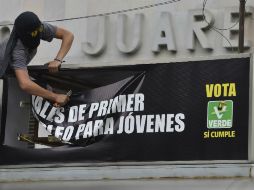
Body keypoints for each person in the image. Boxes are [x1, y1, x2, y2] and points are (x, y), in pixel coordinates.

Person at [0, 11, 74, 106]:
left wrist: (58, 60)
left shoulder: (39, 27)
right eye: (34, 33)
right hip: (3, 77)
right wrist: (55, 97)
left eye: (37, 31)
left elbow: (68, 35)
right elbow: (25, 84)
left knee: (46, 90)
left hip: (12, 73)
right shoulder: (17, 49)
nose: (37, 34)